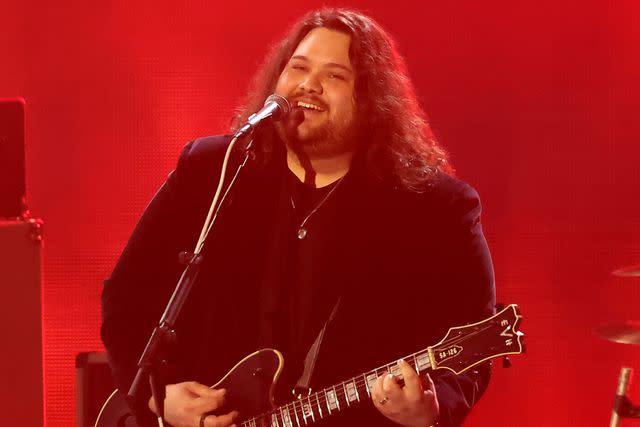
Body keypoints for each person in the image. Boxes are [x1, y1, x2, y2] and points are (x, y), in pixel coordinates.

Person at [101, 8, 496, 427]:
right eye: (298, 67)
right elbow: (126, 298)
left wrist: (430, 410)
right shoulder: (213, 171)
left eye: (335, 76)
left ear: (374, 100)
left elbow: (471, 344)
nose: (309, 85)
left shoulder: (434, 208)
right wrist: (157, 397)